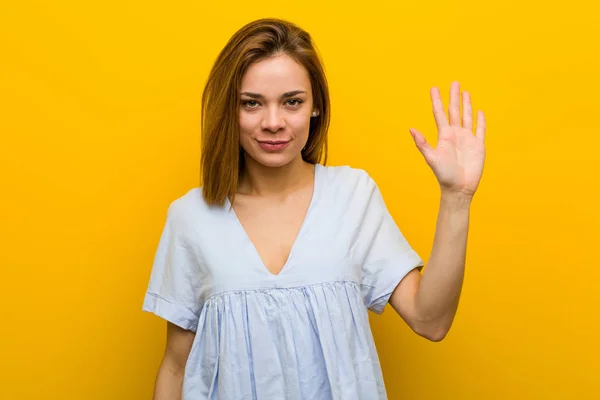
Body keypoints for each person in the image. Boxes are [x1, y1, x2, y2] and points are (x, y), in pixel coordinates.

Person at [142, 17, 486, 400]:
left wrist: (457, 198)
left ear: (315, 106)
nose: (273, 123)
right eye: (251, 103)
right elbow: (175, 367)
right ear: (230, 110)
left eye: (292, 102)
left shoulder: (353, 195)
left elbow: (430, 320)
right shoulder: (191, 217)